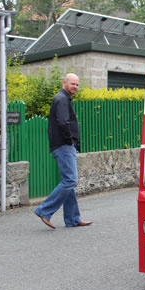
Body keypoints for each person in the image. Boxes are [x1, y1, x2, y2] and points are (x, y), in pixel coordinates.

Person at [34, 73, 93, 229]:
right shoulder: (61, 99)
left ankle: (73, 218)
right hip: (64, 145)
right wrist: (70, 140)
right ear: (64, 83)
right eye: (72, 83)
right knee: (70, 180)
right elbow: (62, 122)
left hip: (64, 145)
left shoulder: (63, 98)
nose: (75, 86)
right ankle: (44, 210)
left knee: (69, 182)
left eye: (77, 84)